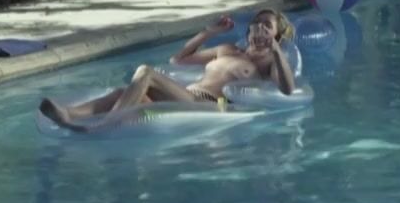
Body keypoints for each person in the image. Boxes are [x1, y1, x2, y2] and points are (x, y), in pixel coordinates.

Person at [38, 9, 298, 133]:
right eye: (257, 23)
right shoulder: (227, 49)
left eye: (267, 26)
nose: (260, 28)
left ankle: (102, 127)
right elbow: (178, 59)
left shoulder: (267, 63)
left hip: (211, 105)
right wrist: (209, 32)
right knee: (123, 93)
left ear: (276, 35)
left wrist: (275, 49)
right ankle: (68, 114)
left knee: (145, 72)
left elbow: (287, 89)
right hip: (188, 94)